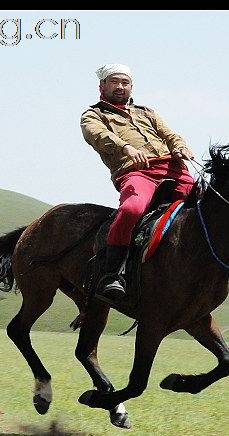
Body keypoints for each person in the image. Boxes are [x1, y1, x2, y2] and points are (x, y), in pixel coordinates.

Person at [81, 63, 196, 300]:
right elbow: (97, 135)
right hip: (137, 172)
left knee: (206, 206)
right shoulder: (93, 114)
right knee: (132, 209)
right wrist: (125, 148)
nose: (120, 87)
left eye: (125, 83)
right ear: (102, 85)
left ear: (131, 87)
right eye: (114, 82)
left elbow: (170, 134)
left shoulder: (147, 112)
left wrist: (180, 146)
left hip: (173, 168)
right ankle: (113, 273)